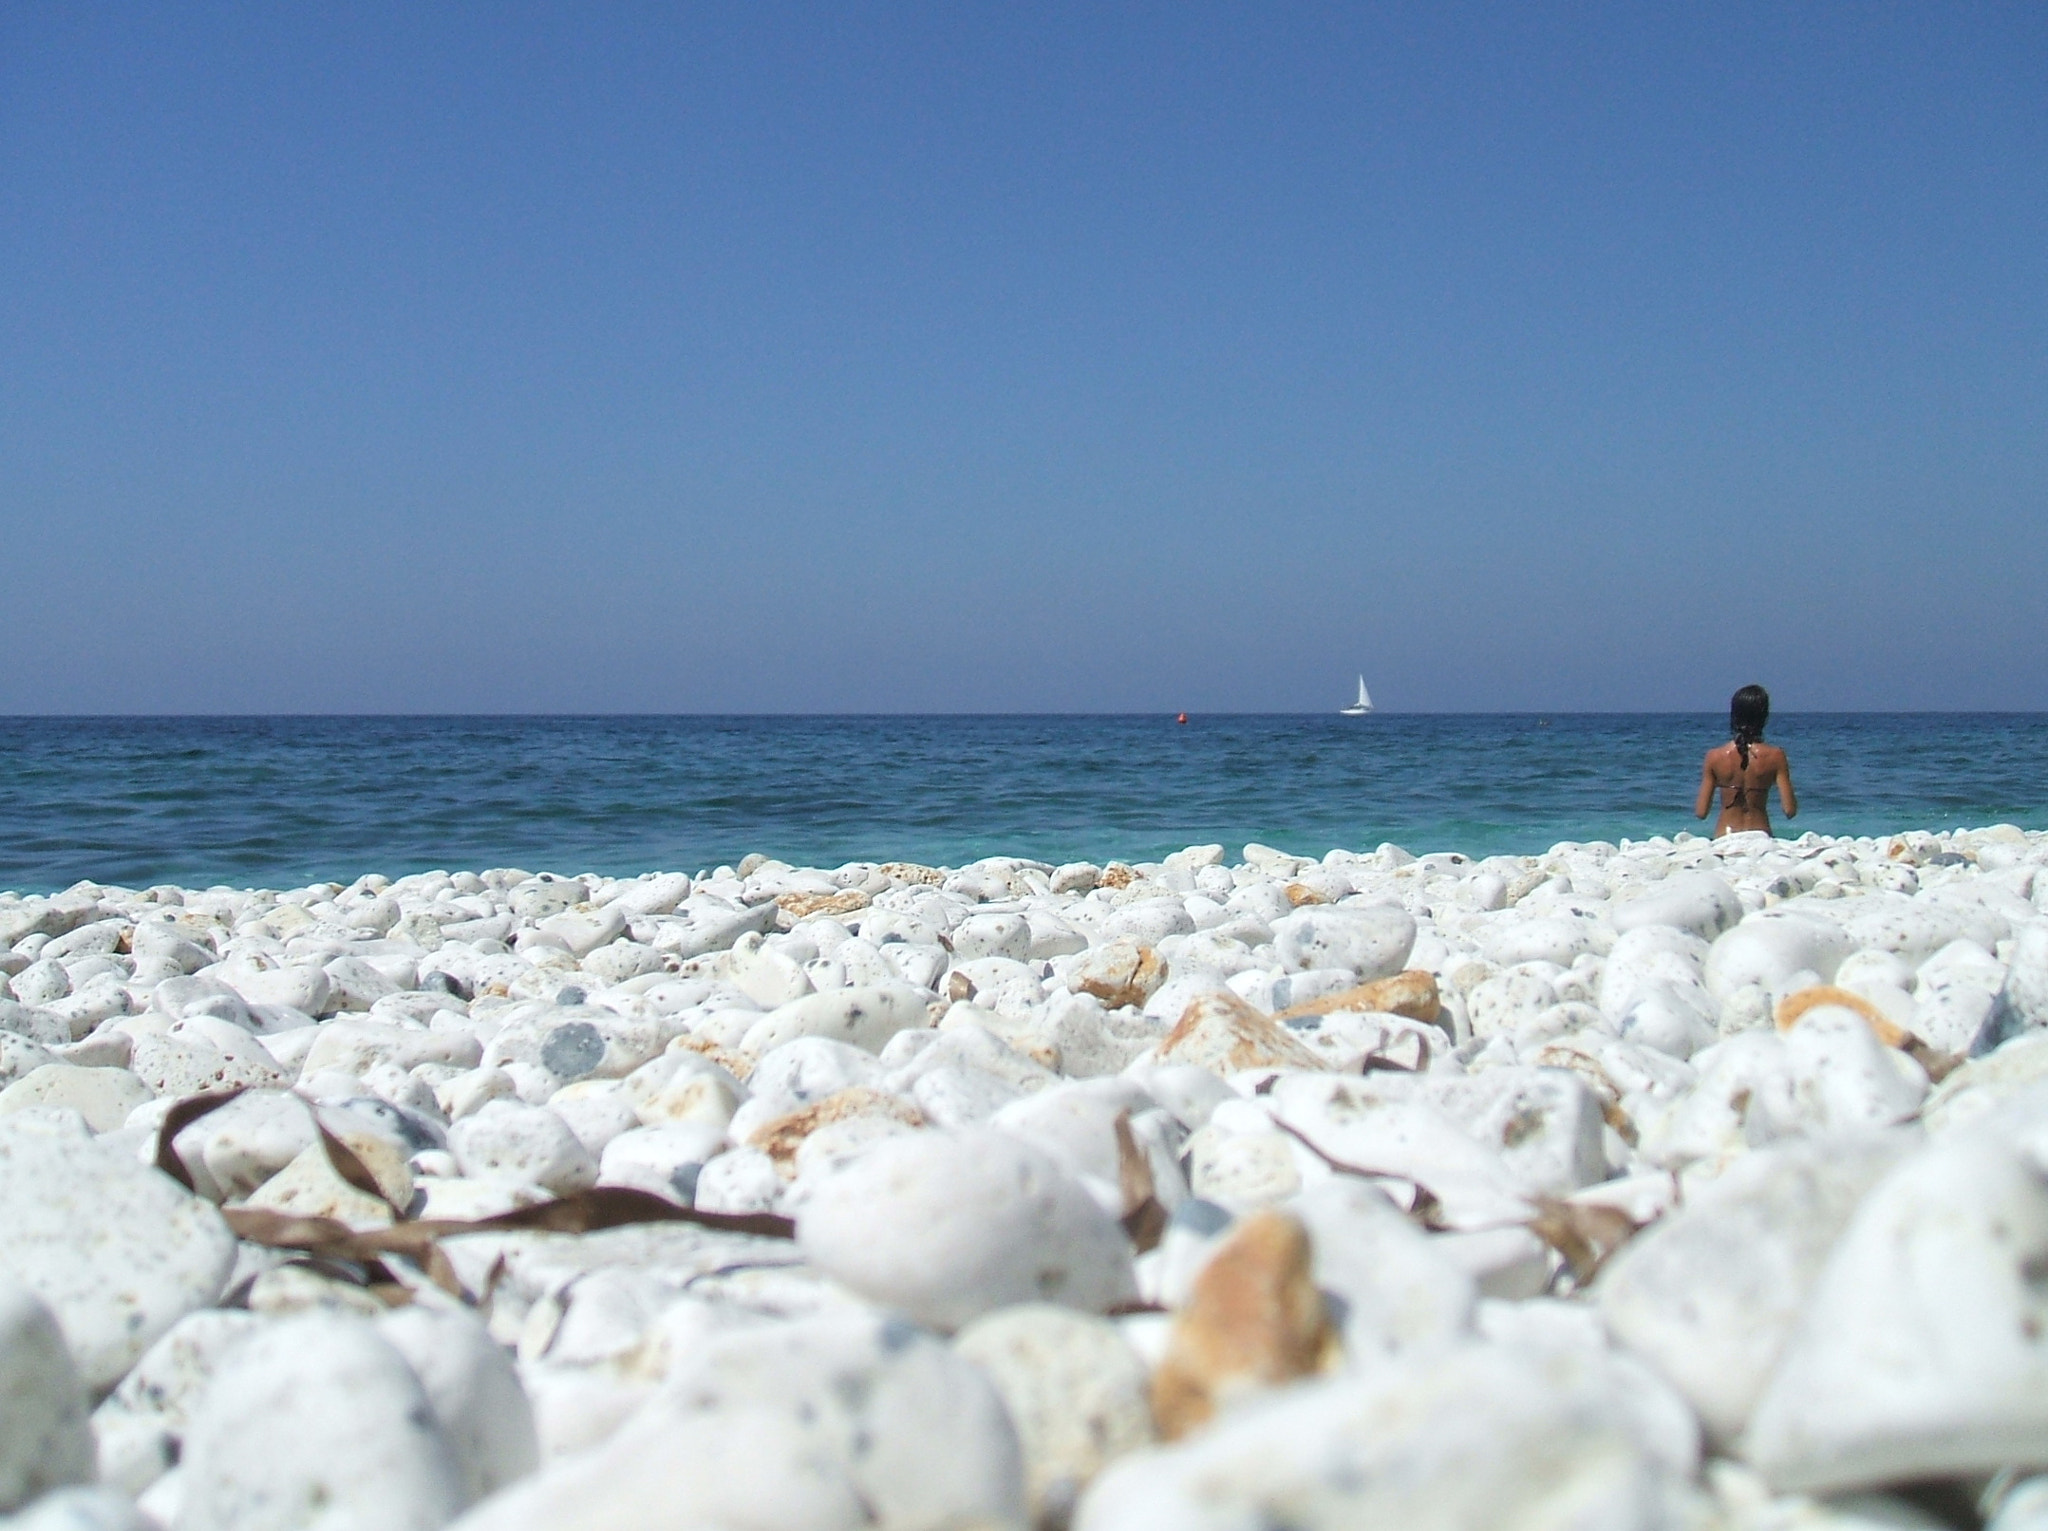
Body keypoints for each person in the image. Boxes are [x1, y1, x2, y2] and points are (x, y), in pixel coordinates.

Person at [1695, 684, 1797, 837]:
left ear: (1734, 715)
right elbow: (1790, 810)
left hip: (1725, 836)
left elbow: (1701, 812)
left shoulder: (1714, 756)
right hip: (1760, 836)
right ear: (1764, 717)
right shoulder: (1776, 756)